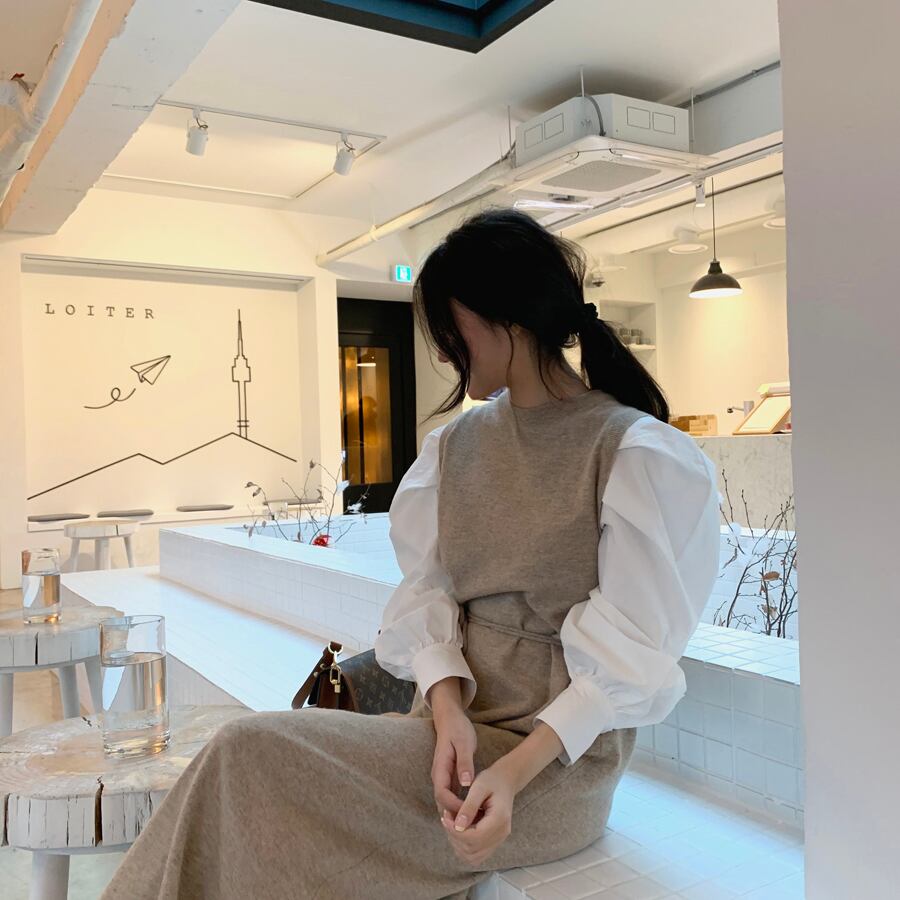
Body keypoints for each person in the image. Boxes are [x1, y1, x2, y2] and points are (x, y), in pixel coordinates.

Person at [101, 208, 721, 900]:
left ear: (507, 319)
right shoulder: (455, 447)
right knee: (245, 776)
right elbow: (432, 597)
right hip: (451, 741)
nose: (446, 351)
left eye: (452, 328)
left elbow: (631, 657)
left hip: (550, 768)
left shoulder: (633, 452)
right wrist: (447, 713)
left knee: (244, 756)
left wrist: (511, 773)